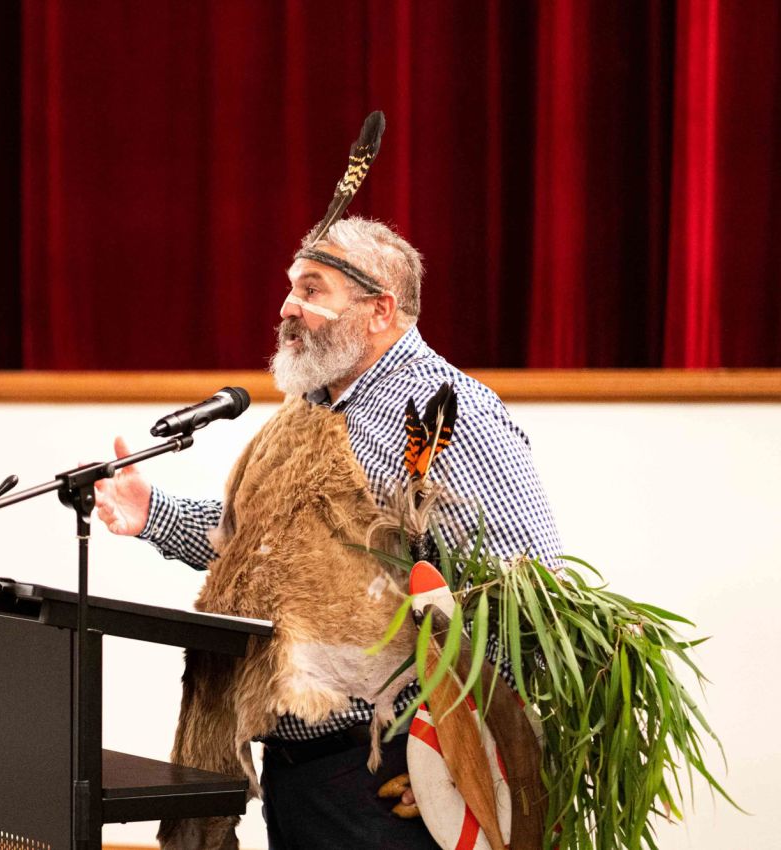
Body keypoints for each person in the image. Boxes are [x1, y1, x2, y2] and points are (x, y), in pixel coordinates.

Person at [95, 216, 562, 849]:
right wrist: (154, 512)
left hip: (387, 774)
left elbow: (521, 594)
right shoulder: (310, 410)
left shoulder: (448, 411)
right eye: (292, 287)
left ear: (379, 309)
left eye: (313, 290)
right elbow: (267, 549)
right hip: (297, 776)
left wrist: (452, 750)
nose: (288, 306)